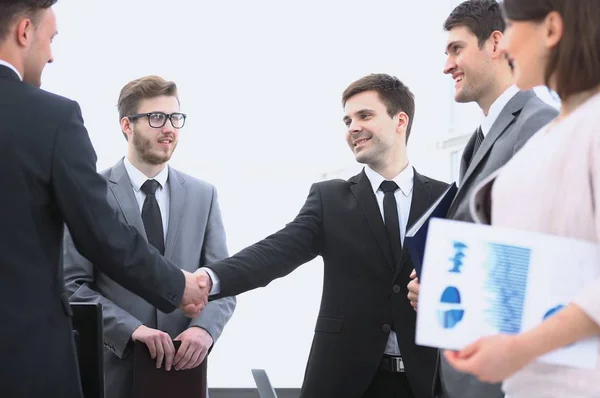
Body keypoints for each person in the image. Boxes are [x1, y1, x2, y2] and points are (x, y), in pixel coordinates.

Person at [0, 2, 208, 397]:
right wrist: (175, 285)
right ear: (25, 32)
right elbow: (100, 234)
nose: (51, 54)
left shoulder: (204, 193)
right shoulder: (50, 118)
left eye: (174, 118)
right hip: (22, 358)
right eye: (51, 38)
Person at [197, 74, 449, 398]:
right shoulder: (329, 199)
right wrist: (209, 279)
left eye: (364, 115)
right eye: (348, 120)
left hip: (426, 382)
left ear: (400, 120)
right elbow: (276, 252)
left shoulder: (445, 200)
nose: (352, 127)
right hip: (346, 383)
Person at [444, 1, 600, 397]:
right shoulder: (547, 138)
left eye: (512, 28)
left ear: (550, 30)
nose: (506, 44)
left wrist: (522, 347)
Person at [405, 1, 558, 397]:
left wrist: (445, 285)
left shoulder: (536, 124)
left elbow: (539, 257)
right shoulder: (478, 141)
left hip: (503, 376)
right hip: (467, 369)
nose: (446, 66)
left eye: (456, 49)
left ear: (495, 44)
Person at [63, 75, 237, 398]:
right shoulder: (91, 194)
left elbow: (223, 283)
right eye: (156, 118)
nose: (169, 128)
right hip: (112, 377)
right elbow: (73, 286)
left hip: (184, 376)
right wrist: (132, 330)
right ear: (126, 125)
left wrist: (203, 330)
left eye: (175, 118)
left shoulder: (204, 195)